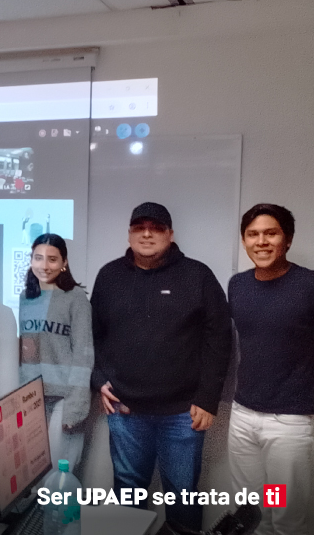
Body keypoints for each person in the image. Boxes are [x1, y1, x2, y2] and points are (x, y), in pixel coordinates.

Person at [91, 202, 231, 531]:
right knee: (127, 494)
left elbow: (220, 339)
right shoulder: (109, 276)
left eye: (155, 227)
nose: (147, 234)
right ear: (129, 234)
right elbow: (92, 336)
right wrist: (98, 379)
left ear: (170, 234)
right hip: (126, 410)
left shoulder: (198, 276)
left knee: (182, 496)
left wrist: (208, 398)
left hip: (183, 413)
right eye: (139, 227)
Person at [228, 204, 314, 535]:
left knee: (286, 519)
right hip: (243, 416)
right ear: (244, 241)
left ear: (287, 239)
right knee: (251, 513)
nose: (261, 241)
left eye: (271, 233)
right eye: (253, 234)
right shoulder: (238, 285)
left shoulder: (308, 285)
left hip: (289, 424)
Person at [19, 234, 93, 478]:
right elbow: (27, 352)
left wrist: (76, 407)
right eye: (38, 258)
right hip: (33, 397)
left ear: (64, 263)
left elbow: (83, 353)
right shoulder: (26, 298)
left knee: (59, 476)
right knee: (34, 475)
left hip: (65, 397)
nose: (44, 265)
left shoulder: (76, 297)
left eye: (52, 259)